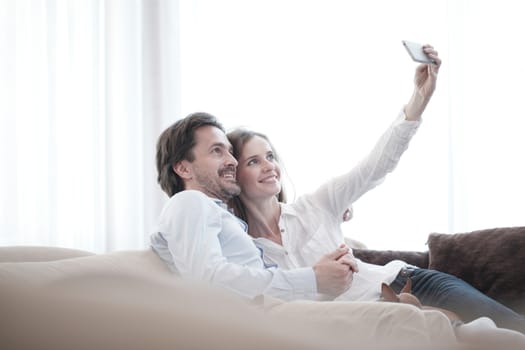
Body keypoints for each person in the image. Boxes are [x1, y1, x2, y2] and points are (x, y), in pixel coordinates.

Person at [226, 45, 525, 333]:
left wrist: (418, 100)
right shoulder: (245, 251)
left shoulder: (316, 205)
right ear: (233, 175)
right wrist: (317, 278)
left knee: (512, 326)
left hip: (406, 282)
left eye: (270, 157)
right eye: (253, 161)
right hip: (372, 319)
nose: (269, 166)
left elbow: (375, 166)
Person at [150, 111, 358, 302]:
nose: (232, 161)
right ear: (184, 169)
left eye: (230, 152)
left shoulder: (219, 215)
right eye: (216, 151)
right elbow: (207, 280)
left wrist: (322, 271)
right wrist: (313, 279)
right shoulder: (189, 202)